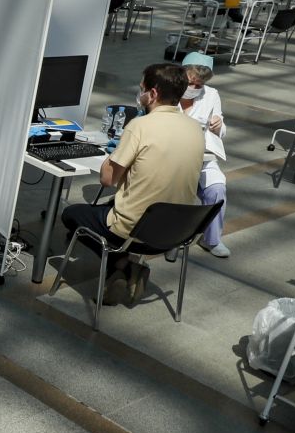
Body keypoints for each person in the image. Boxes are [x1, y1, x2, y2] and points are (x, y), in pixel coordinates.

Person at [60, 64, 205, 305]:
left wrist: (119, 149)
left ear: (154, 93)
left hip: (134, 229)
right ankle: (124, 270)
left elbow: (107, 179)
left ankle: (121, 265)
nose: (140, 95)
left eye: (142, 89)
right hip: (177, 230)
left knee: (71, 216)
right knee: (115, 205)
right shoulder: (194, 128)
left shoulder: (140, 126)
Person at [179, 54, 230, 258]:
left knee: (217, 190)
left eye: (198, 85)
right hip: (173, 154)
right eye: (190, 82)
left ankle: (211, 239)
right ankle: (170, 234)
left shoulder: (211, 95)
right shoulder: (168, 89)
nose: (193, 87)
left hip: (203, 155)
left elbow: (222, 129)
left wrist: (219, 125)